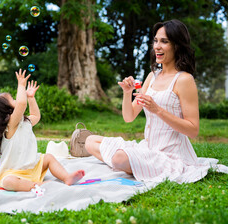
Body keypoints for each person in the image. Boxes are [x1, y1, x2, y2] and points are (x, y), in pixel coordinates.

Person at [85, 19, 203, 183]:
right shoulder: (152, 76)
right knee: (89, 141)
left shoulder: (184, 80)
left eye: (164, 41)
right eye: (155, 41)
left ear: (177, 45)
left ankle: (120, 160)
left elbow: (193, 130)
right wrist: (127, 93)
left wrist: (158, 110)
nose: (157, 46)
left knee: (119, 158)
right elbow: (129, 117)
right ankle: (126, 161)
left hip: (171, 155)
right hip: (148, 149)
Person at [0, 69, 85, 192]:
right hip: (14, 173)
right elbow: (21, 104)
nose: (17, 101)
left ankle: (66, 177)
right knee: (8, 182)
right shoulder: (10, 127)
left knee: (49, 158)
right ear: (7, 112)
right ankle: (34, 185)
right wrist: (21, 85)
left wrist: (31, 98)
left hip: (32, 167)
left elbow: (35, 116)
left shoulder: (23, 123)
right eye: (12, 100)